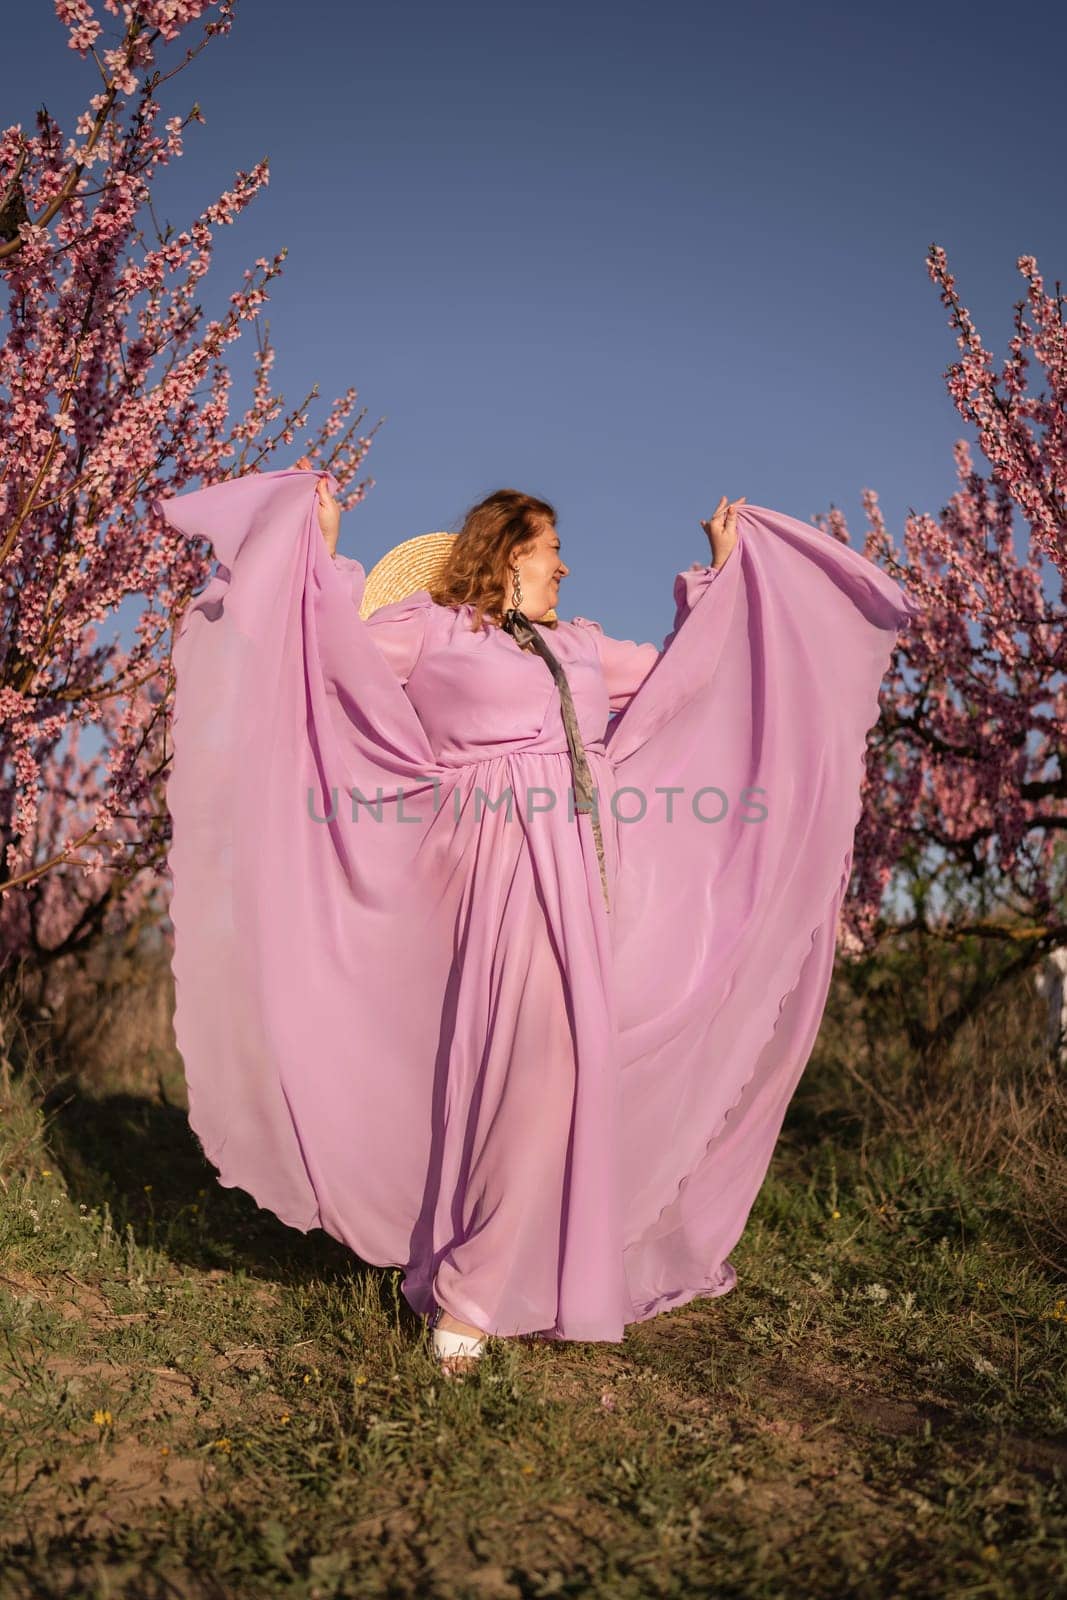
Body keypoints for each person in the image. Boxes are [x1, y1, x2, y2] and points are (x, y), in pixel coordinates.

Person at [158, 466, 919, 1379]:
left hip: (589, 869)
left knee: (561, 1066)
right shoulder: (431, 631)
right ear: (510, 548)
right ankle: (472, 1291)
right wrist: (315, 552)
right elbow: (323, 658)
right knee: (538, 1061)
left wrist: (722, 573)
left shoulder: (585, 646)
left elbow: (699, 673)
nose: (565, 567)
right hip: (486, 861)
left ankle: (497, 1267)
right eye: (553, 548)